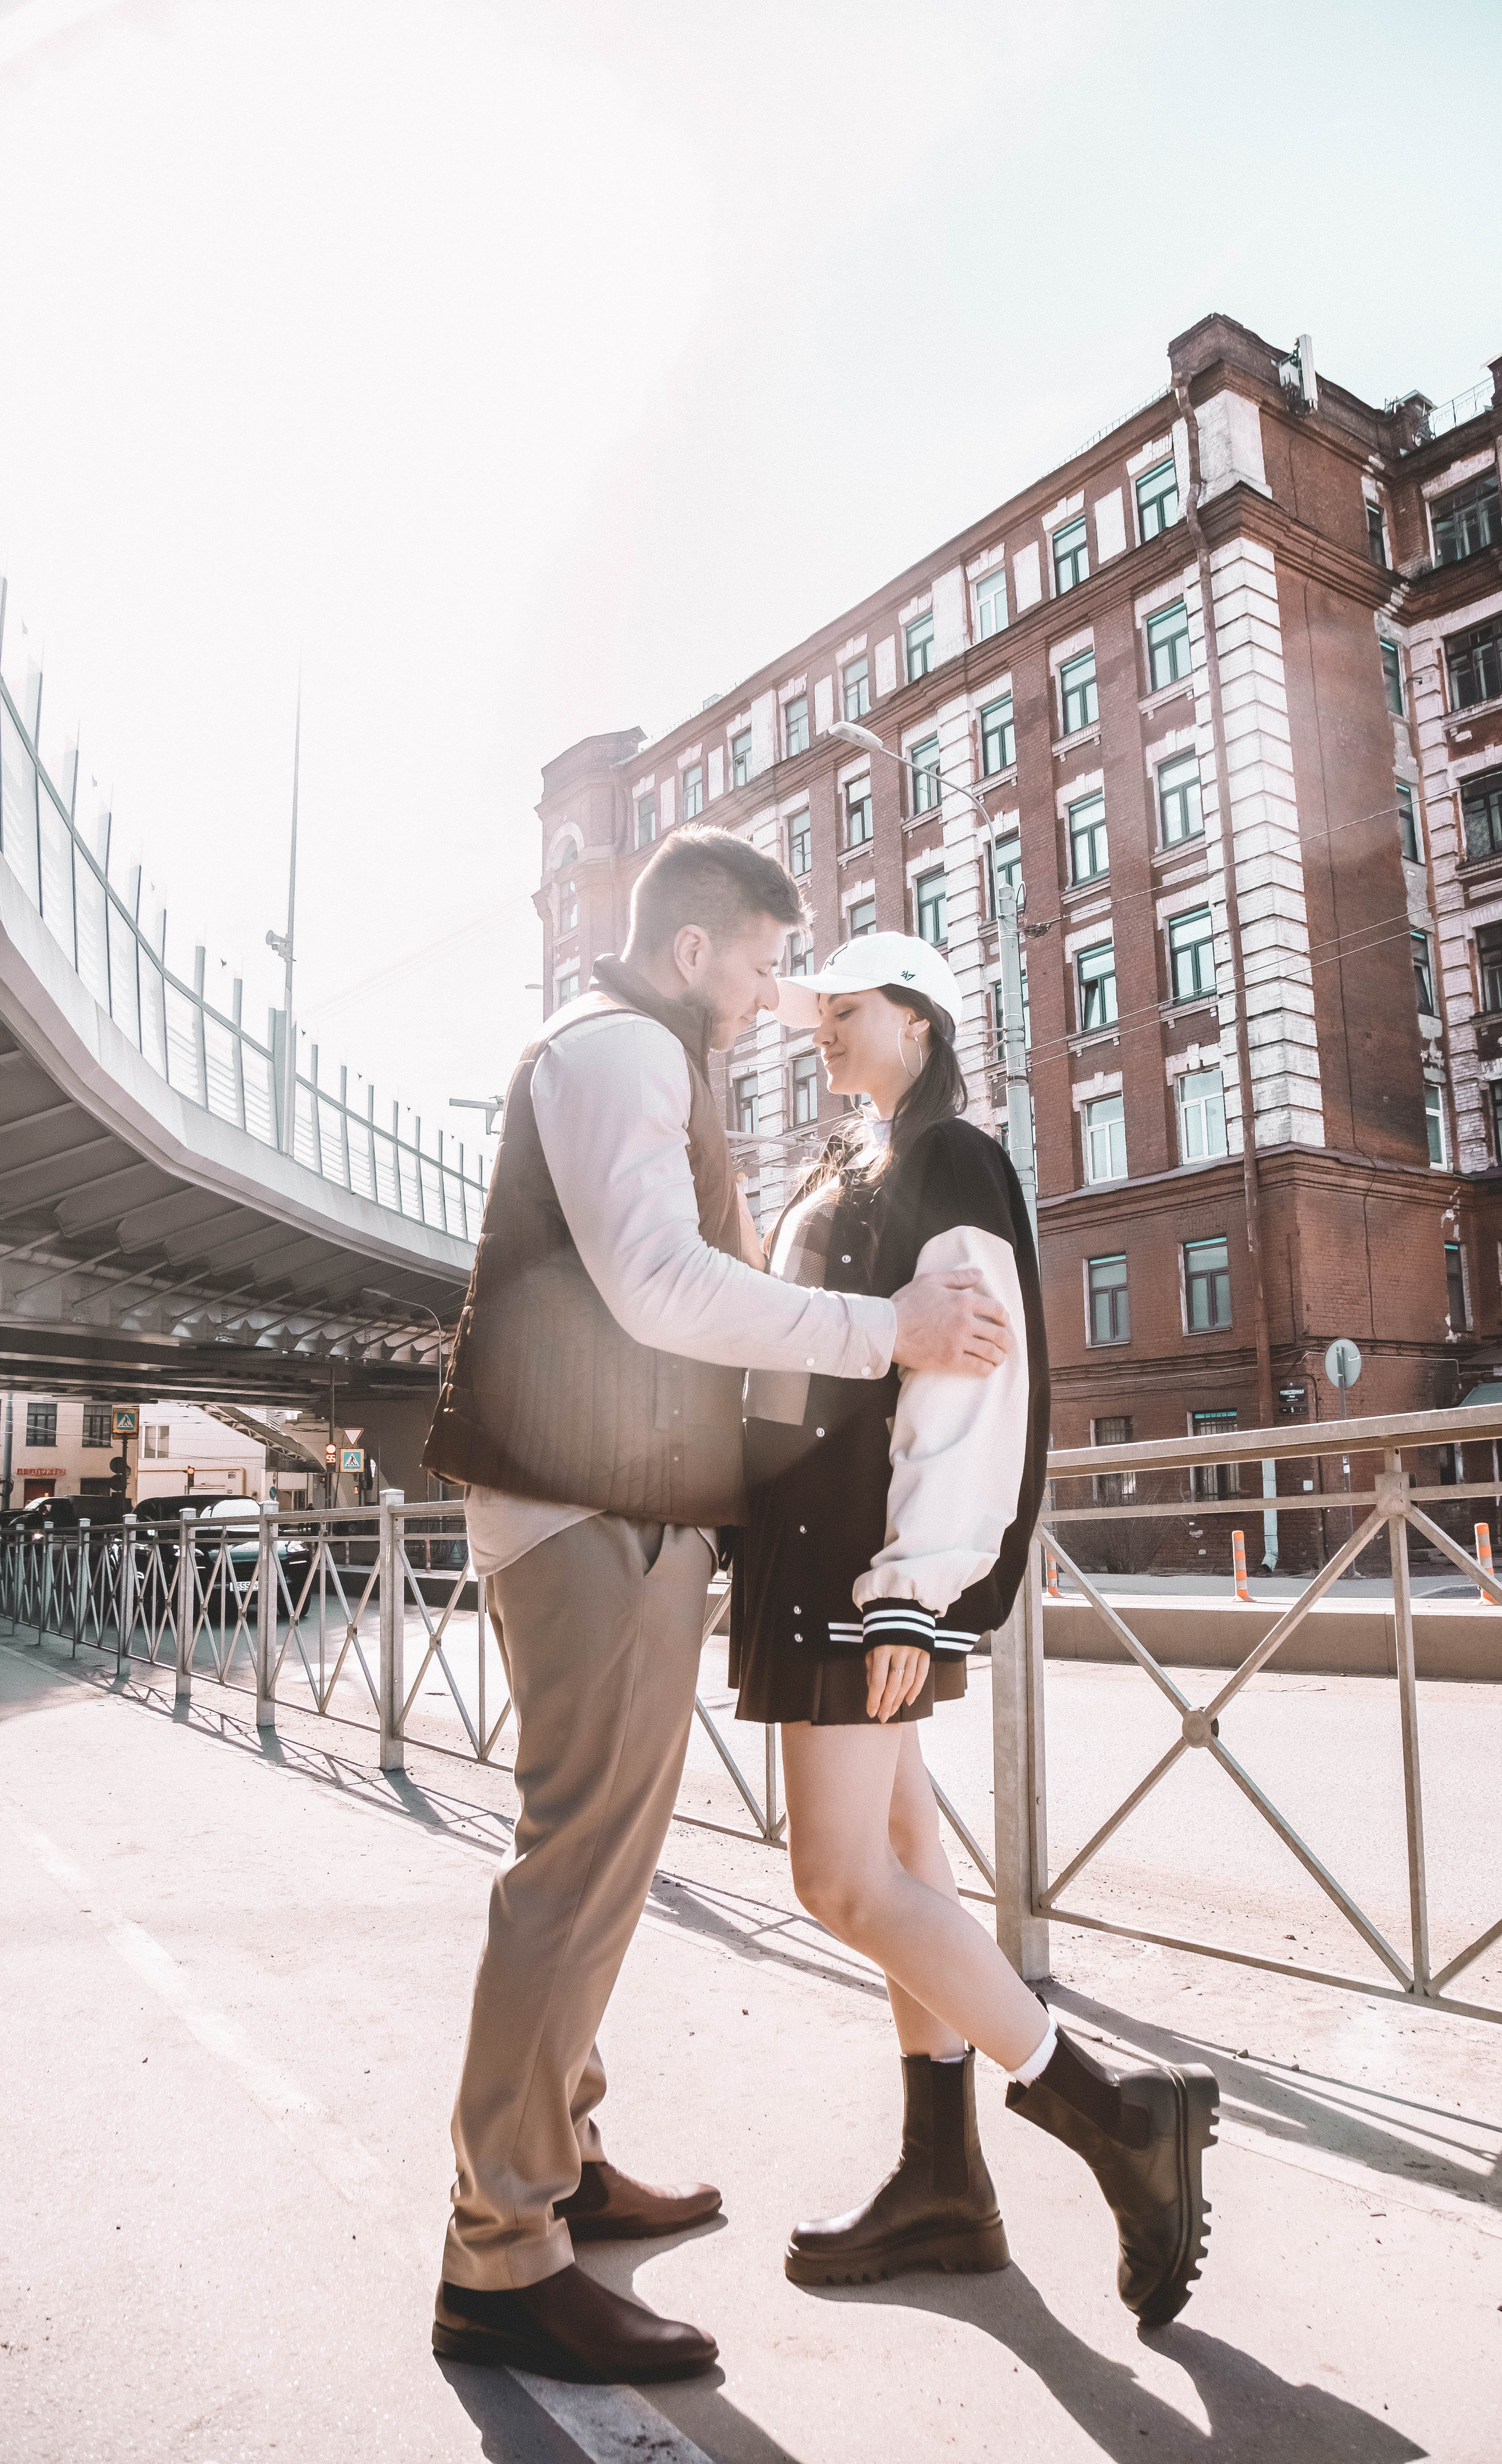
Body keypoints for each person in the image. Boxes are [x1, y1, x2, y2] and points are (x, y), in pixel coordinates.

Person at [421, 829, 1012, 2385]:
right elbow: (659, 1286)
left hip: (607, 1503)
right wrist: (884, 1328)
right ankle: (503, 2251)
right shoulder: (621, 1048)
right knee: (579, 1865)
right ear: (694, 951)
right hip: (587, 1507)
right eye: (760, 969)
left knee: (591, 1856)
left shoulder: (622, 1049)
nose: (768, 1003)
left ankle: (560, 2155)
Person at [731, 931, 1218, 2329]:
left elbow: (973, 1389)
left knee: (836, 1881)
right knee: (897, 1869)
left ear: (922, 1020)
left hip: (859, 1568)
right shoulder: (854, 1162)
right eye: (815, 1004)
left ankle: (1113, 2114)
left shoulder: (946, 1160)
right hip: (813, 1553)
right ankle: (943, 2180)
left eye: (849, 1005)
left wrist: (913, 1585)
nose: (821, 1024)